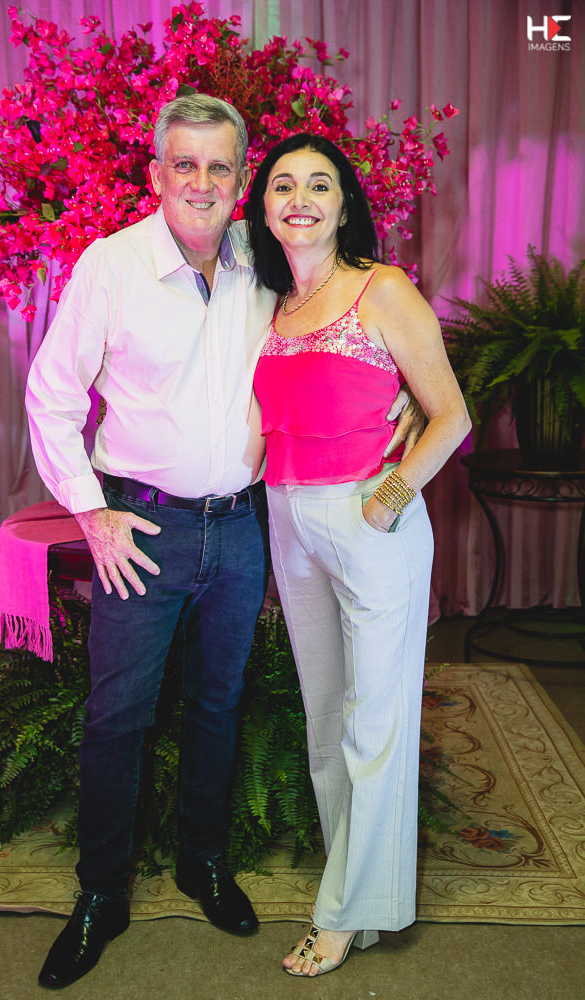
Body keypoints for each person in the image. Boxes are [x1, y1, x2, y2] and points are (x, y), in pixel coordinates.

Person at [25, 96, 422, 990]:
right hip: (145, 525)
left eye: (219, 166)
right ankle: (100, 895)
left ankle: (203, 865)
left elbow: (339, 331)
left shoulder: (265, 257)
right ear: (156, 173)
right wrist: (90, 512)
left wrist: (396, 392)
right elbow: (50, 396)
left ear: (241, 177)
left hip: (244, 524)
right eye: (184, 164)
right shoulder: (111, 265)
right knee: (118, 716)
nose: (201, 182)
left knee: (217, 703)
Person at [245, 132, 471, 978]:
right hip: (287, 516)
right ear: (263, 207)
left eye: (319, 184)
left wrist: (392, 493)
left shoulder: (382, 289)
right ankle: (360, 892)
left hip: (370, 520)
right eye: (282, 185)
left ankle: (340, 915)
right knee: (325, 718)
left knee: (375, 723)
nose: (299, 199)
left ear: (344, 205)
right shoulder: (268, 302)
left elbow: (450, 413)